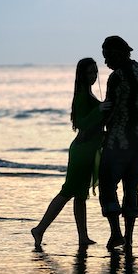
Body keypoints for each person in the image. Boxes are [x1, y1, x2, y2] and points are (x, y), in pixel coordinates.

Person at [31, 58, 110, 248]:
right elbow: (81, 124)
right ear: (81, 75)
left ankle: (83, 237)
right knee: (67, 192)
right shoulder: (82, 95)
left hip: (88, 150)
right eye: (89, 72)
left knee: (80, 196)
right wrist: (99, 109)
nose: (93, 76)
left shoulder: (87, 94)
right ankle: (39, 229)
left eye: (95, 72)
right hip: (81, 151)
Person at [99, 36, 138, 251]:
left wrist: (96, 125)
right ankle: (129, 238)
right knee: (132, 188)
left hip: (118, 142)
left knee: (107, 184)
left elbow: (110, 110)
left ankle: (116, 234)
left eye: (107, 56)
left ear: (118, 53)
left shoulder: (117, 77)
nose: (106, 62)